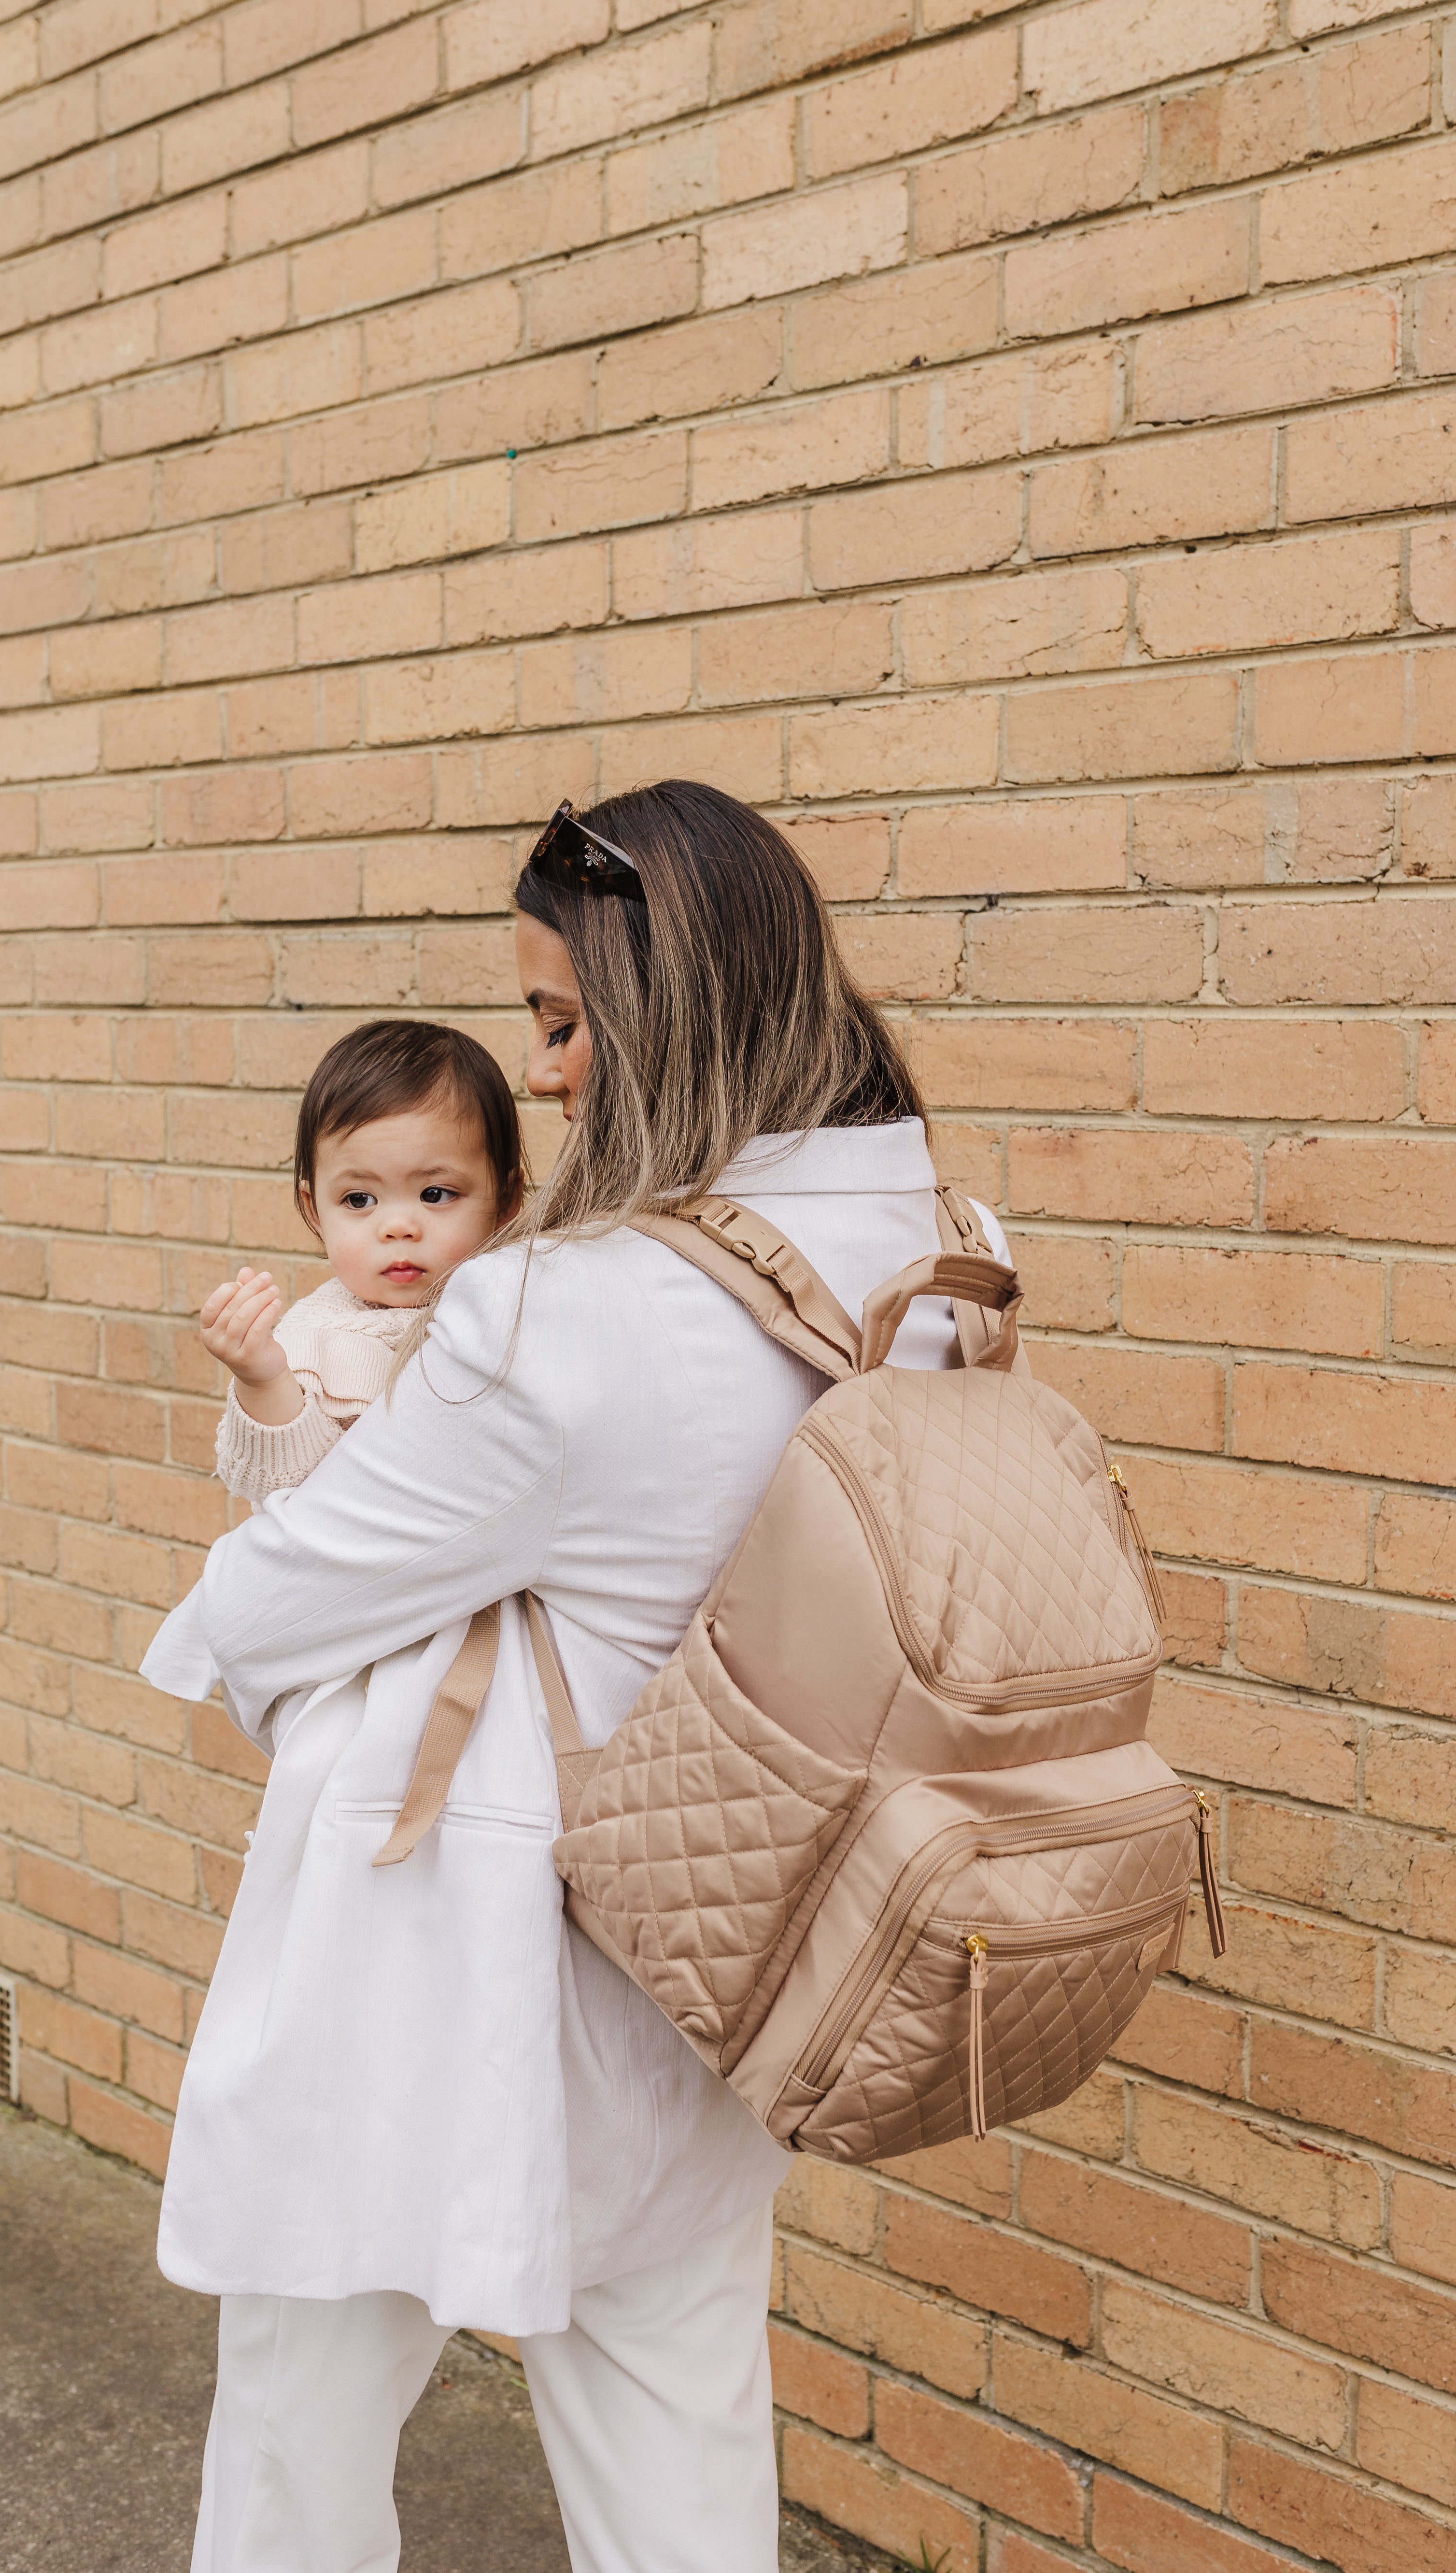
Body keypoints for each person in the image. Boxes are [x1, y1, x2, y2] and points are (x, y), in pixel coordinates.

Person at [140, 781, 1011, 2573]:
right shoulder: (936, 1250)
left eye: (557, 1020)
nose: (538, 1071)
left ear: (664, 1001)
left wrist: (277, 1633)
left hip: (439, 1964)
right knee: (677, 2449)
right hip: (713, 1939)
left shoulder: (564, 1314)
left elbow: (278, 1603)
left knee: (301, 2431)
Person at [195, 1019, 523, 1501]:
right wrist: (262, 1379)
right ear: (315, 1211)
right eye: (359, 1200)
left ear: (506, 1199)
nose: (398, 1227)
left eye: (435, 1193)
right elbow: (276, 1487)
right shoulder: (319, 1341)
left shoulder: (523, 1307)